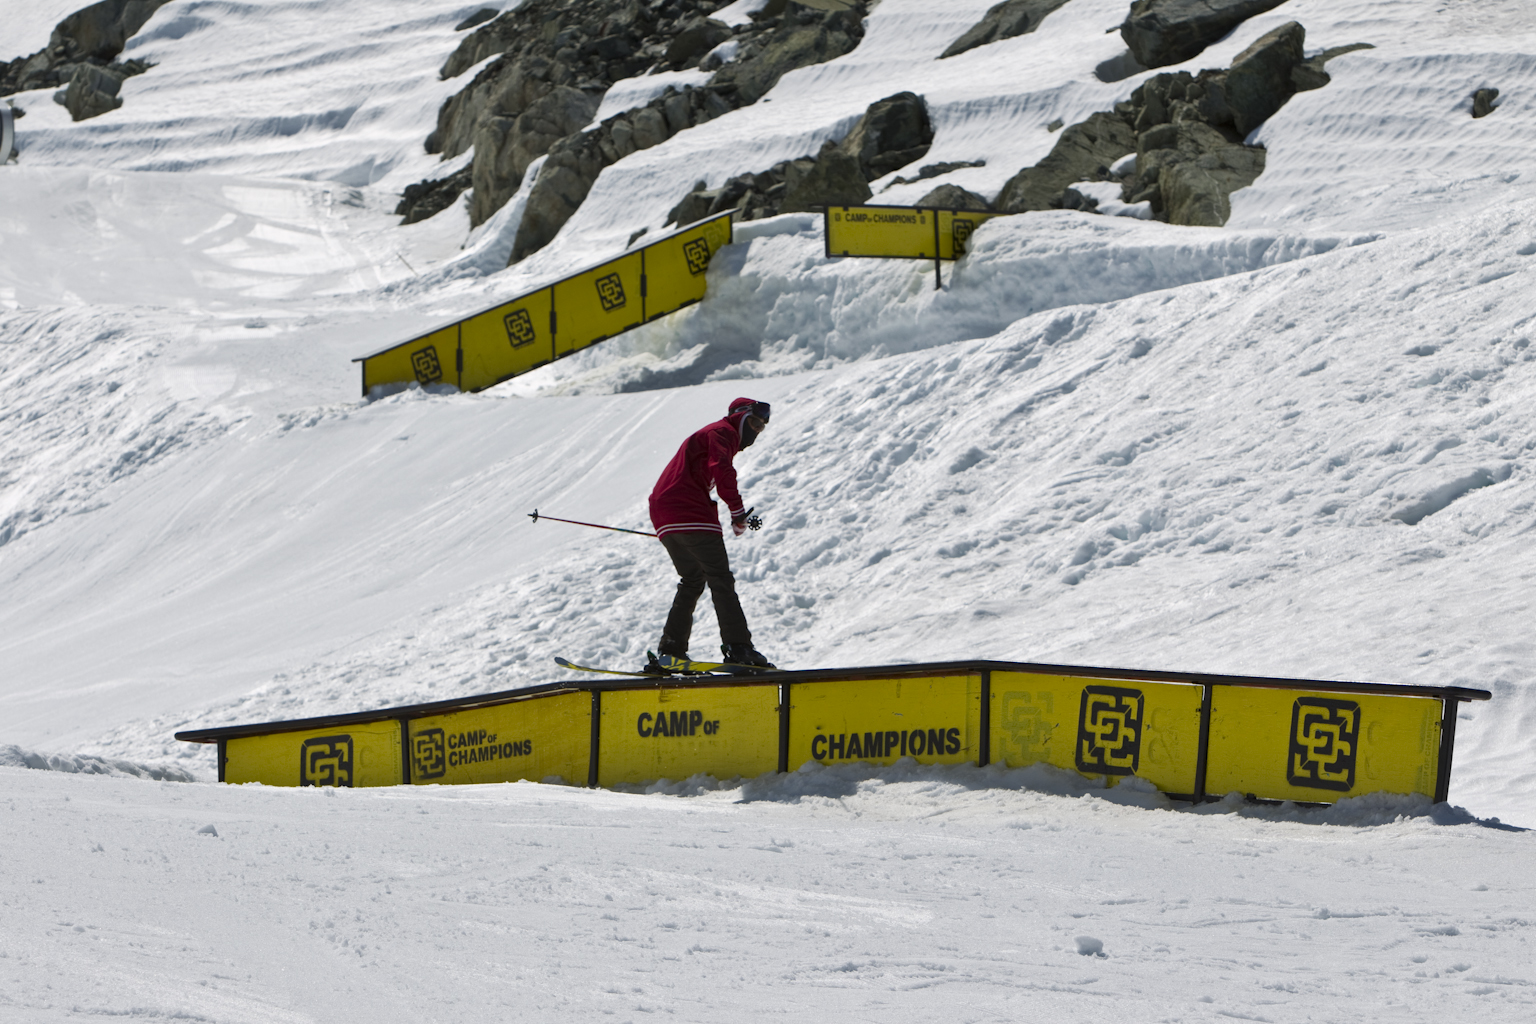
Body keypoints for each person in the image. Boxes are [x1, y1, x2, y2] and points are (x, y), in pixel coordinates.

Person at [645, 397, 775, 671]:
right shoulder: (722, 432)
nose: (756, 430)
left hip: (663, 511)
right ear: (738, 417)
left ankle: (671, 650)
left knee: (693, 579)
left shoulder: (712, 434)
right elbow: (722, 470)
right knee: (720, 579)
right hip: (689, 508)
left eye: (761, 427)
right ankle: (739, 647)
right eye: (753, 422)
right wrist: (737, 512)